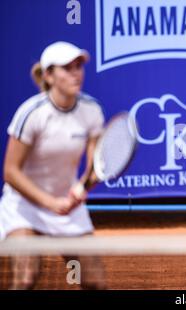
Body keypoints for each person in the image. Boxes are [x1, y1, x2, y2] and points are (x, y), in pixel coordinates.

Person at [0, 41, 106, 289]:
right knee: (26, 278)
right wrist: (50, 203)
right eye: (67, 68)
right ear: (48, 75)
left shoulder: (91, 110)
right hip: (24, 207)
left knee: (95, 282)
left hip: (67, 207)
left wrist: (81, 189)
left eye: (79, 66)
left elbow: (95, 165)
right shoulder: (32, 113)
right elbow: (11, 172)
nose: (76, 73)